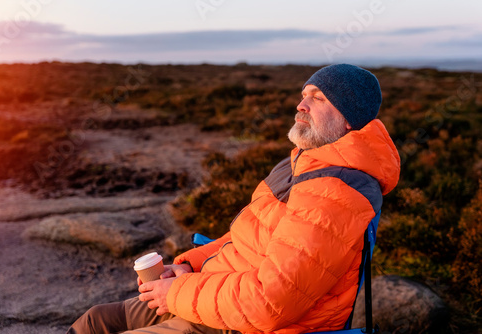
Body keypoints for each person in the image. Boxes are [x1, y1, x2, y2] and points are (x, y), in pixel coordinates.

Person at [68, 64, 400, 334]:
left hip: (250, 325)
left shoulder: (337, 191)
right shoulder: (301, 162)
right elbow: (242, 240)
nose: (301, 105)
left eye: (318, 97)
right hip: (217, 293)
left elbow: (270, 304)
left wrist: (177, 294)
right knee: (95, 321)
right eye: (303, 95)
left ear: (348, 118)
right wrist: (187, 266)